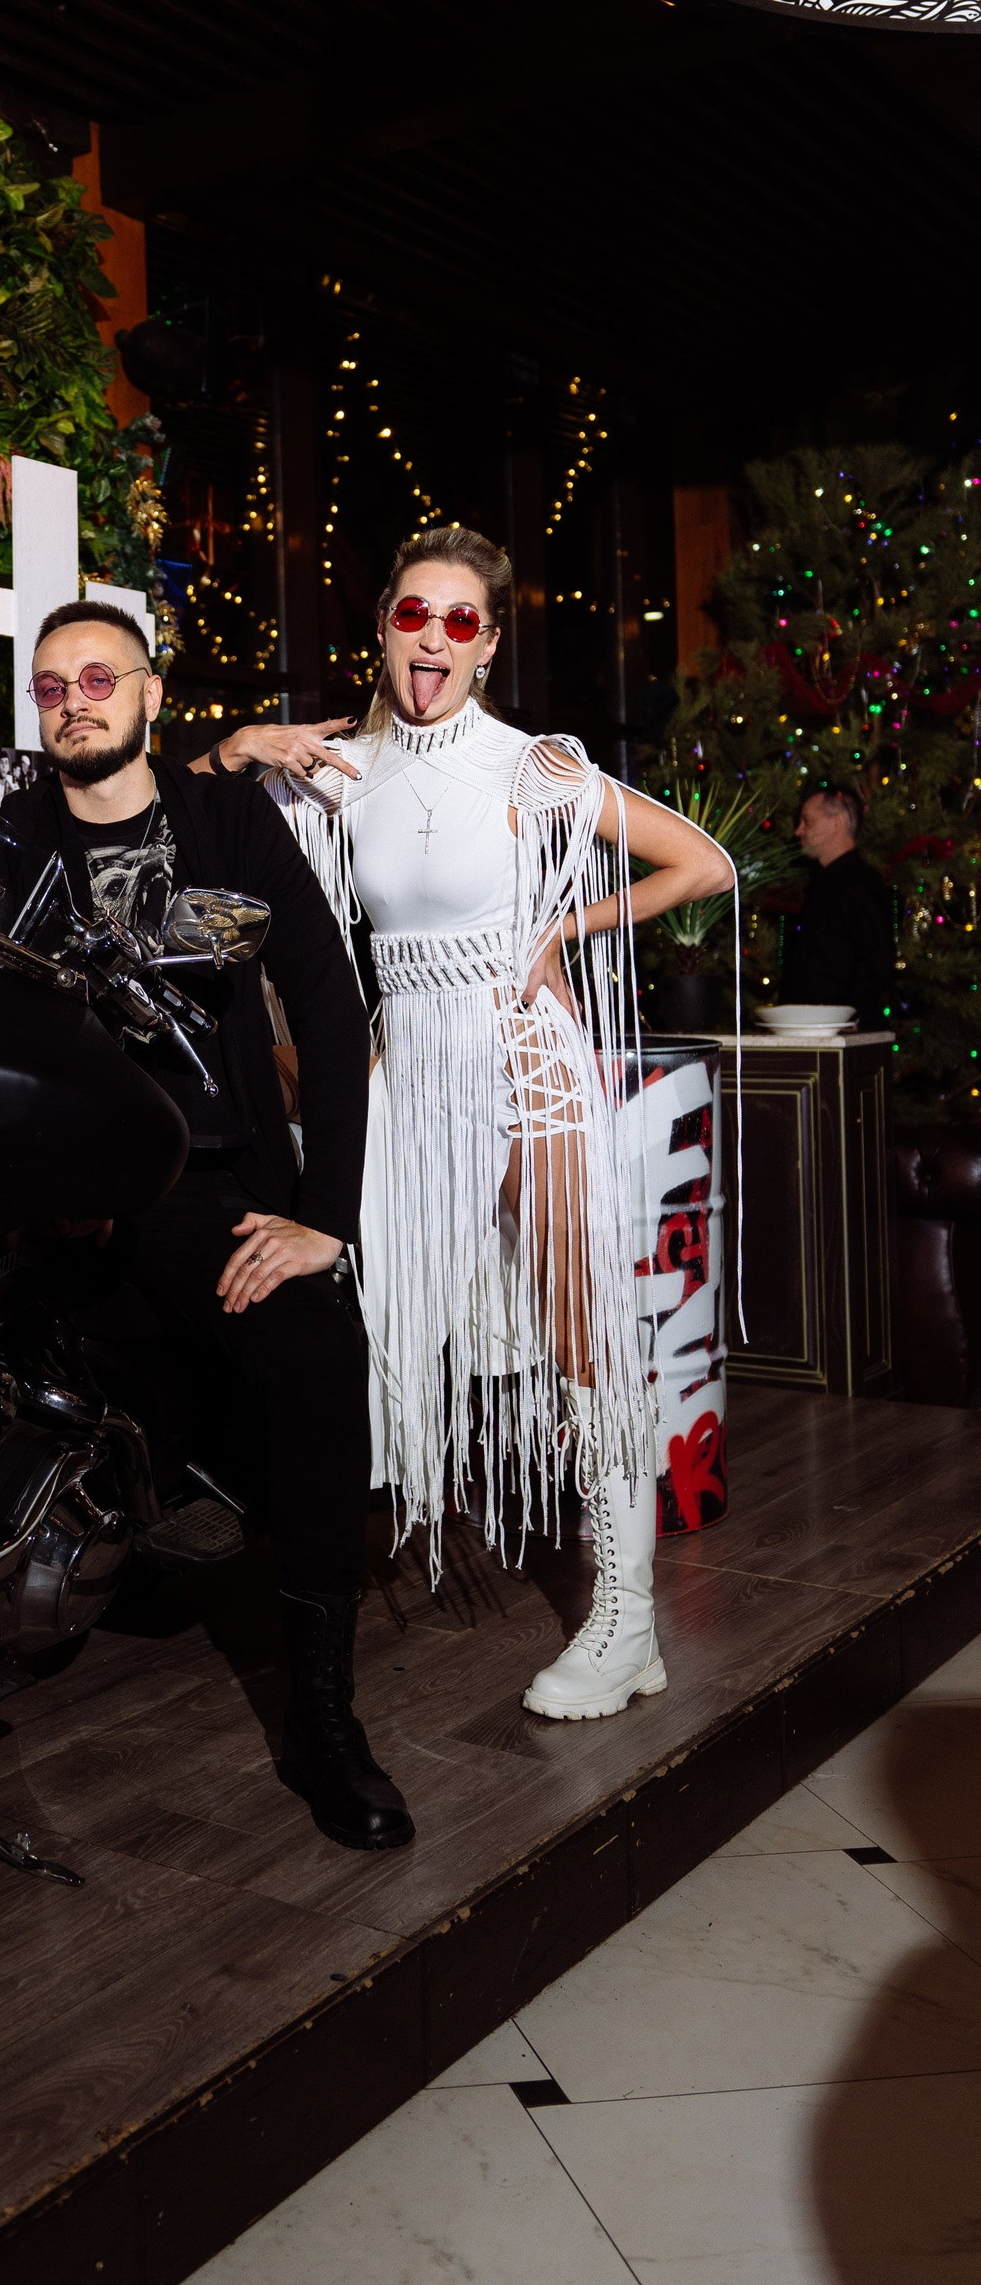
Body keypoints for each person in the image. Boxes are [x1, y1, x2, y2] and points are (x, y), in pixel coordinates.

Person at [196, 528, 734, 1722]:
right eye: (411, 615)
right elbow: (172, 821)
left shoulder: (527, 766)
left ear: (487, 644)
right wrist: (235, 748)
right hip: (411, 1074)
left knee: (582, 1333)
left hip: (522, 1057)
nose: (432, 639)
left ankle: (627, 1620)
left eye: (458, 621)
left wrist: (567, 931)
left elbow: (702, 866)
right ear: (383, 629)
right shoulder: (339, 770)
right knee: (373, 1319)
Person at [0, 600, 411, 1851]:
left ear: (151, 695)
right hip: (64, 1190)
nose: (75, 701)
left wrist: (324, 1219)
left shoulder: (226, 822)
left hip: (211, 1186)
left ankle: (323, 1720)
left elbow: (327, 1008)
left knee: (318, 1354)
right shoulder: (7, 838)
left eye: (98, 678)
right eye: (52, 686)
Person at [784, 784, 892, 1028]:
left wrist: (850, 1015)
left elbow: (877, 959)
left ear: (837, 822)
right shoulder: (822, 883)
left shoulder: (861, 883)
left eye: (807, 821)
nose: (798, 831)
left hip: (843, 1031)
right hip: (817, 1026)